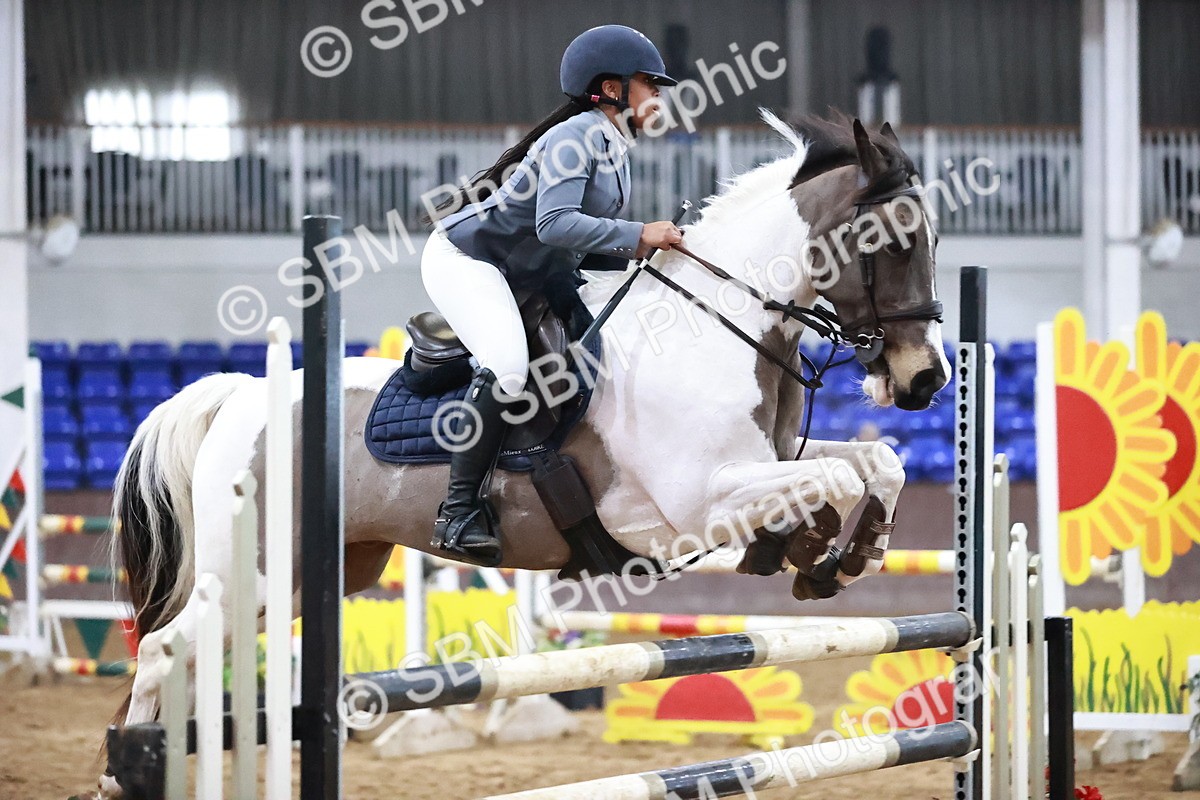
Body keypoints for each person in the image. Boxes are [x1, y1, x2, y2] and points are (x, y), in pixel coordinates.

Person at [420, 24, 685, 566]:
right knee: (509, 368)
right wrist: (639, 234)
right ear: (611, 88)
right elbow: (555, 223)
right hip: (468, 260)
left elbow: (585, 244)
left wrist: (654, 260)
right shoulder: (577, 137)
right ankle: (458, 513)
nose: (658, 96)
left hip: (530, 271)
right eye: (649, 84)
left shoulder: (612, 145)